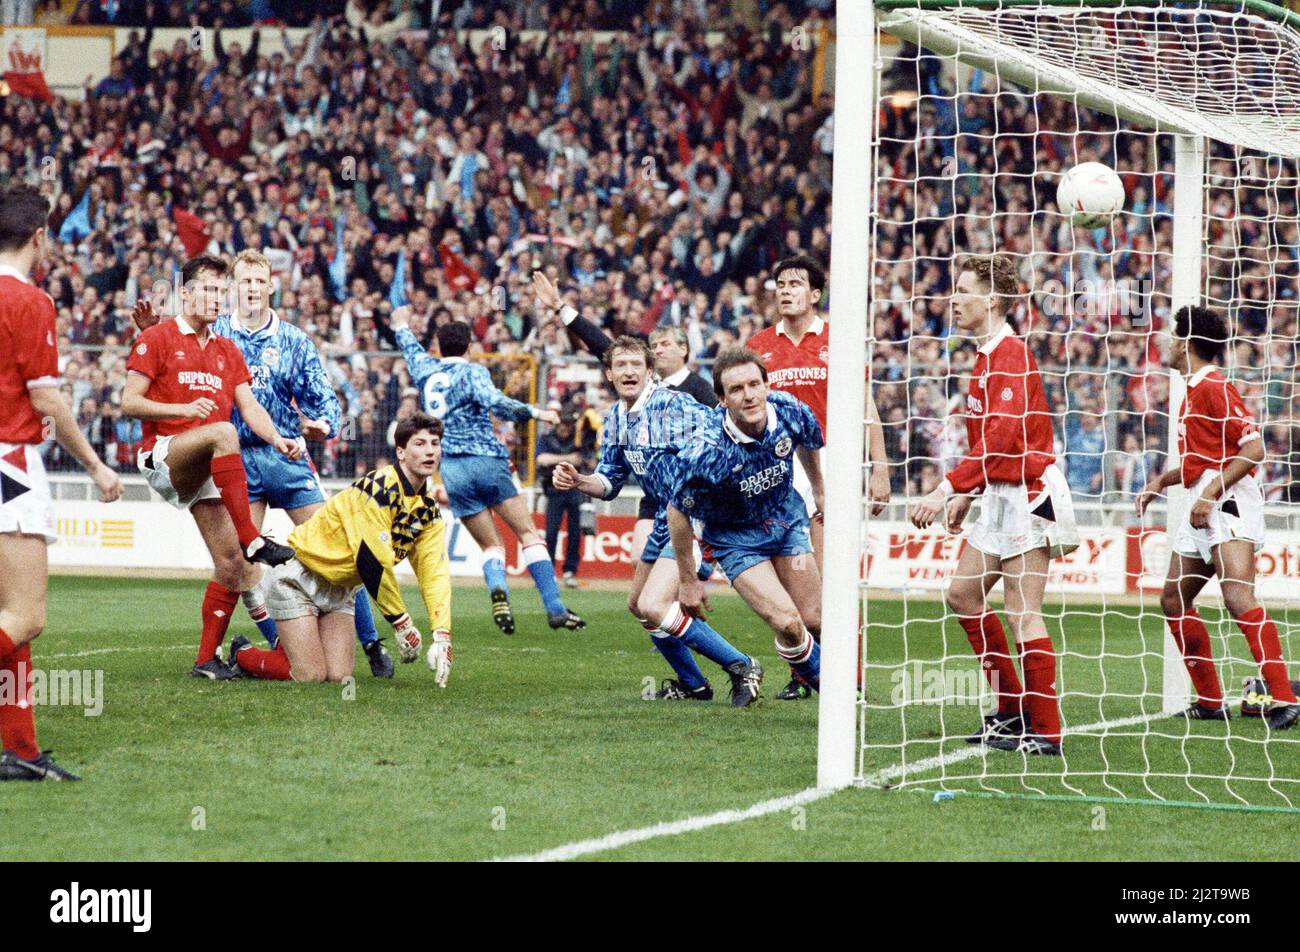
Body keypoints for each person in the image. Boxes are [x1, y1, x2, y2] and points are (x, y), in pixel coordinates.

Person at [131, 250, 393, 678]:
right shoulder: (217, 334)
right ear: (232, 289)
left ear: (271, 286)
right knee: (237, 560)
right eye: (243, 282)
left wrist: (321, 425)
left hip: (285, 455)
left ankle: (370, 643)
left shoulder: (293, 340)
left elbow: (323, 398)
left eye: (259, 281)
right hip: (234, 459)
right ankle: (269, 645)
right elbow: (173, 356)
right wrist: (151, 332)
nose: (251, 289)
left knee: (339, 545)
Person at [909, 253, 1078, 756]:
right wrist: (970, 492)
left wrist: (947, 488)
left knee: (1023, 613)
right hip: (999, 493)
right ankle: (1010, 711)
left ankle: (1046, 731)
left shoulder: (1011, 354)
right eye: (954, 291)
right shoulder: (984, 358)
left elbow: (1004, 438)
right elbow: (991, 442)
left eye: (964, 291)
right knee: (962, 595)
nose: (953, 300)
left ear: (994, 300)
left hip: (1029, 494)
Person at [122, 255, 300, 680]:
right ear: (184, 293)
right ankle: (253, 537)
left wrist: (278, 439)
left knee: (233, 565)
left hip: (206, 466)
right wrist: (182, 408)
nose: (217, 298)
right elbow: (129, 402)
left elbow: (249, 405)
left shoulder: (226, 349)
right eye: (207, 289)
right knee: (222, 432)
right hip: (164, 454)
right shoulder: (158, 338)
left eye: (223, 291)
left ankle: (206, 661)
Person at [554, 337, 760, 705]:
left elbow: (723, 427)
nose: (629, 371)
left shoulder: (675, 405)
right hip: (667, 518)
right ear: (610, 374)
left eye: (637, 364)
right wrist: (581, 480)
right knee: (638, 605)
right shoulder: (616, 417)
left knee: (653, 605)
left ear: (650, 371)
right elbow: (610, 481)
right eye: (621, 365)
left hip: (695, 515)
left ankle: (742, 665)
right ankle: (694, 684)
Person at [0, 185, 122, 782]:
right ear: (38, 237)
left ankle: (20, 750)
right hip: (10, 467)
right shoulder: (29, 300)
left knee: (8, 620)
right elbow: (46, 397)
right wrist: (97, 466)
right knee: (26, 617)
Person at [1137, 305, 1298, 730]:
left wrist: (1209, 495)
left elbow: (1253, 450)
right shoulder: (1192, 389)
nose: (1166, 343)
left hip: (1227, 505)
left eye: (1172, 335)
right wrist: (1160, 483)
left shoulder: (1214, 387)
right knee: (1173, 598)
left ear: (1187, 344)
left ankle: (1283, 698)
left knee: (1237, 597)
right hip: (1201, 505)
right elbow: (1202, 459)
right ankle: (1209, 701)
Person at [747, 254, 891, 700]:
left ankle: (854, 676)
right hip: (776, 469)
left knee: (834, 577)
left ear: (814, 294)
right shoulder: (758, 346)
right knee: (794, 580)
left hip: (829, 466)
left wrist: (881, 467)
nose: (786, 290)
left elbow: (865, 405)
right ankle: (804, 674)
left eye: (795, 283)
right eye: (780, 283)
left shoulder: (837, 341)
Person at [389, 307, 585, 633]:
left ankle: (498, 591)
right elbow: (497, 403)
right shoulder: (474, 372)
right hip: (487, 460)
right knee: (528, 534)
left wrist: (400, 324)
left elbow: (409, 346)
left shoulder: (425, 368)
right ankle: (554, 607)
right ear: (469, 347)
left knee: (491, 545)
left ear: (439, 347)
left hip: (451, 469)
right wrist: (537, 413)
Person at [231, 413, 453, 686]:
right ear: (401, 452)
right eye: (420, 443)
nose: (430, 450)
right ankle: (242, 653)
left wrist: (442, 634)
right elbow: (372, 563)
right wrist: (402, 623)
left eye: (435, 443)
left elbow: (435, 571)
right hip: (297, 579)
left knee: (339, 677)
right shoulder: (377, 489)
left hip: (339, 589)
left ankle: (291, 648)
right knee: (310, 675)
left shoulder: (428, 509)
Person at [667, 348, 826, 696]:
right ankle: (837, 691)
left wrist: (818, 488)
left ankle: (809, 677)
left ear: (767, 386)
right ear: (721, 399)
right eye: (736, 389)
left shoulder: (789, 409)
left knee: (814, 619)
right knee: (786, 620)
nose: (749, 395)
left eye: (755, 384)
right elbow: (676, 509)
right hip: (733, 538)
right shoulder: (705, 450)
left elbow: (810, 441)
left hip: (784, 519)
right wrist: (688, 580)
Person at [535, 409, 586, 586]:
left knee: (574, 533)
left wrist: (558, 460)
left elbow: (582, 460)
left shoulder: (579, 440)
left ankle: (570, 571)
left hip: (574, 490)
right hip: (553, 489)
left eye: (569, 424)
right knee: (550, 533)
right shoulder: (547, 438)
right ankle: (548, 573)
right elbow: (542, 459)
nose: (566, 428)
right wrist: (567, 459)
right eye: (563, 424)